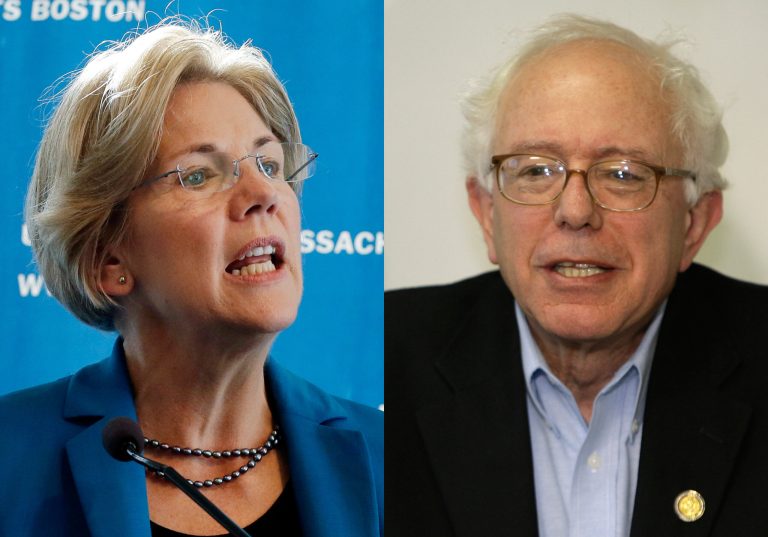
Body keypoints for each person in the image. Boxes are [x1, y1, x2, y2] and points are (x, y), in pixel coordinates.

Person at [386, 14, 768, 537]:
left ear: (694, 222)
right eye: (536, 170)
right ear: (485, 213)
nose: (575, 210)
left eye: (624, 175)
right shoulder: (381, 364)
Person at [0, 22, 382, 537]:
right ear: (108, 260)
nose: (262, 194)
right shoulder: (11, 456)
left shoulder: (385, 453)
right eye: (198, 175)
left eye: (269, 164)